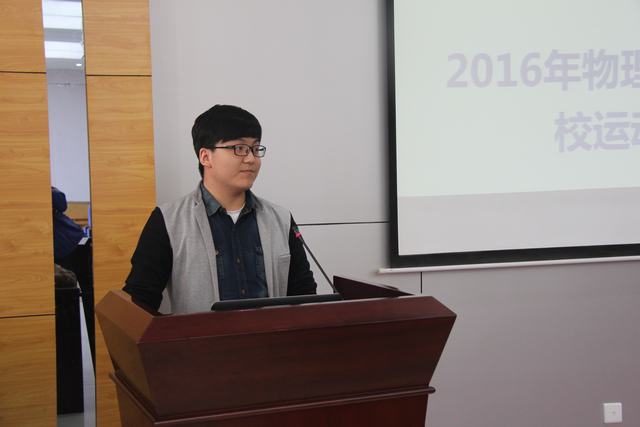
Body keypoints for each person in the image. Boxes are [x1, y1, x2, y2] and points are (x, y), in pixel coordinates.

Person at [123, 104, 317, 313]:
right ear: (205, 157)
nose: (251, 159)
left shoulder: (280, 219)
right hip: (202, 336)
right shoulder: (168, 221)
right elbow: (138, 303)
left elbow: (305, 297)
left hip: (270, 335)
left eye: (255, 148)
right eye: (239, 148)